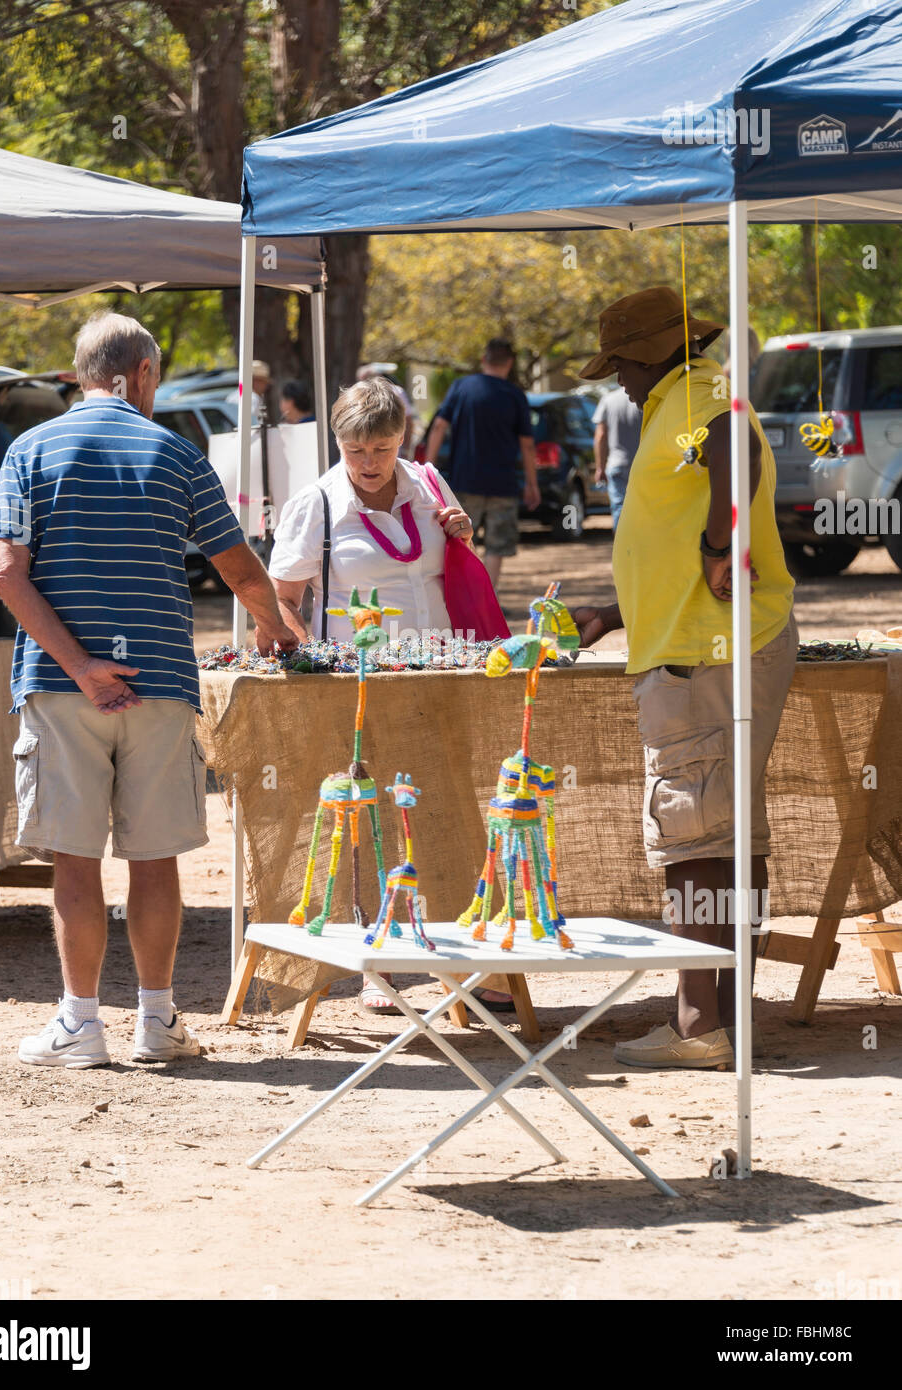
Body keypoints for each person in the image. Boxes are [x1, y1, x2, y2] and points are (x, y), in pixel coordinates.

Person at [0, 312, 297, 1070]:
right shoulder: (176, 453)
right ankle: (156, 1022)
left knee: (74, 860)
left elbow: (4, 574)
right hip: (159, 680)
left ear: (80, 373)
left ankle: (79, 1024)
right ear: (144, 374)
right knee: (156, 860)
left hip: (61, 687)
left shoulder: (29, 450)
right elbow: (241, 571)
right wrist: (277, 631)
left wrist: (82, 666)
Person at [569, 286, 796, 1070]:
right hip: (703, 640)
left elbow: (739, 448)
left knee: (694, 834)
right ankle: (720, 1019)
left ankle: (701, 1025)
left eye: (619, 368)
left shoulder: (695, 392)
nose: (617, 385)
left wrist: (714, 543)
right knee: (727, 832)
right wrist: (616, 608)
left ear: (644, 355)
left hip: (705, 652)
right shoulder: (680, 399)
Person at [269, 376, 513, 1014]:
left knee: (448, 811)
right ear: (337, 443)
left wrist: (460, 533)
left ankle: (470, 964)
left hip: (438, 677)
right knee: (371, 823)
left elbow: (448, 566)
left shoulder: (429, 483)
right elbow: (281, 600)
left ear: (401, 436)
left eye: (381, 448)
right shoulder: (317, 506)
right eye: (355, 451)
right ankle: (384, 963)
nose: (370, 464)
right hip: (361, 688)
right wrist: (313, 660)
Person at [425, 338, 541, 589]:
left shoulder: (461, 387)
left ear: (483, 360)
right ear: (509, 363)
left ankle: (461, 595)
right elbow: (527, 444)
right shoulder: (515, 395)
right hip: (504, 483)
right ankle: (487, 597)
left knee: (460, 539)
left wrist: (428, 470)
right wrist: (532, 483)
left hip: (465, 481)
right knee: (497, 546)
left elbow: (438, 426)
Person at [592, 384, 642, 529]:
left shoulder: (608, 400)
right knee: (642, 507)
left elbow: (600, 436)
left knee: (620, 507)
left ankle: (620, 546)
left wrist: (599, 467)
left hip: (616, 464)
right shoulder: (643, 400)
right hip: (641, 464)